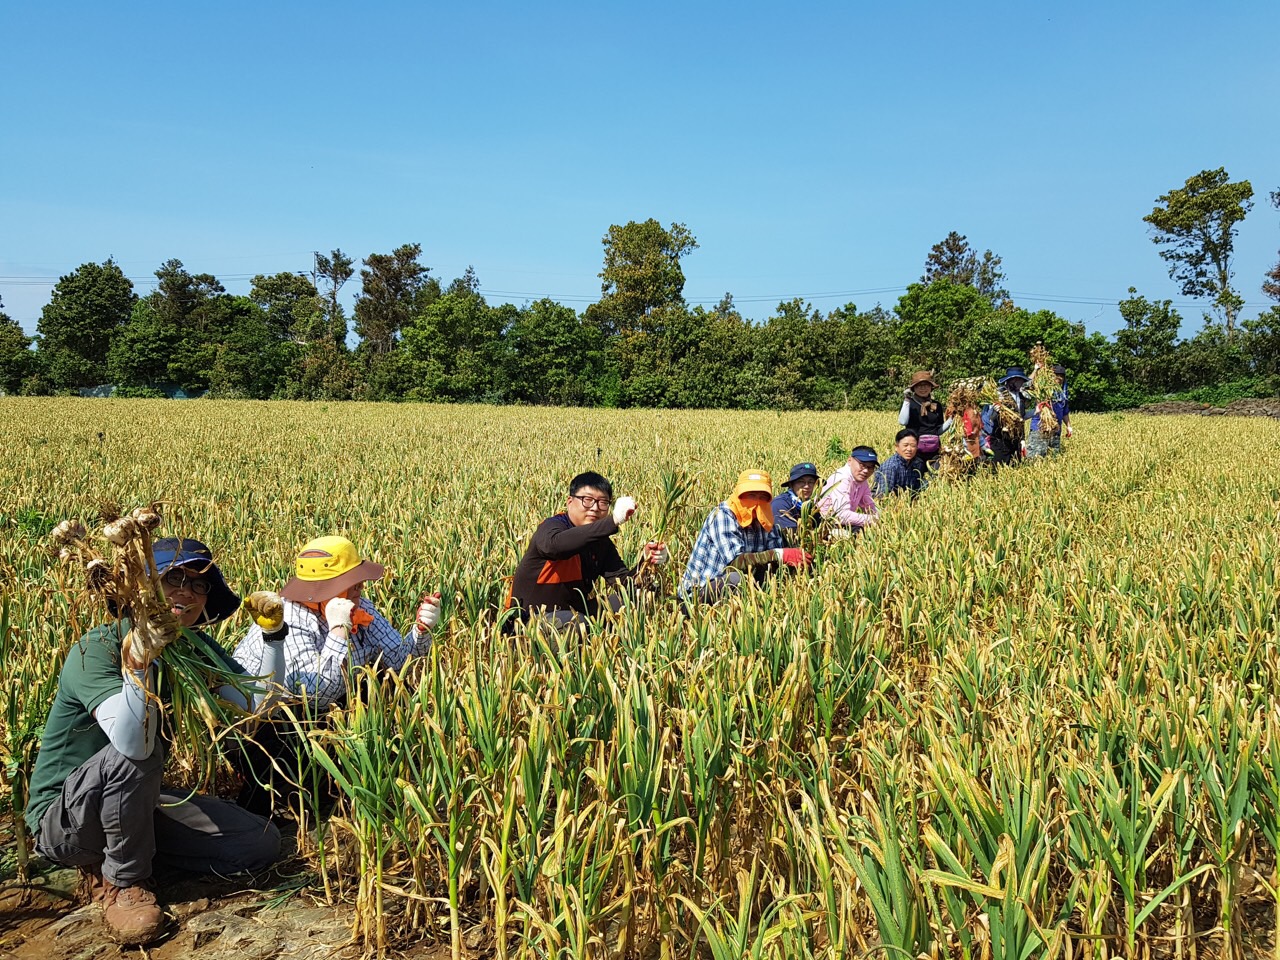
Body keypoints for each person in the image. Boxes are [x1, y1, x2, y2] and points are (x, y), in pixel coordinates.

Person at [25, 538, 283, 945]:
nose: (188, 592)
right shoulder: (98, 648)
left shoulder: (192, 648)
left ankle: (127, 848)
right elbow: (133, 746)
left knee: (258, 841)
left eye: (200, 585)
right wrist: (139, 665)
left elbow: (257, 703)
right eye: (173, 578)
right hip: (66, 819)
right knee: (141, 749)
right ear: (140, 588)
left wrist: (273, 635)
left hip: (135, 801)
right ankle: (124, 882)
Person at [510, 471, 669, 631]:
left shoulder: (600, 543)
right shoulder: (551, 527)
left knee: (636, 599)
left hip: (576, 614)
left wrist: (646, 561)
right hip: (527, 622)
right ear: (569, 502)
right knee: (579, 624)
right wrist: (612, 521)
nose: (595, 508)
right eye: (587, 500)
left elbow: (624, 583)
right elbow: (555, 546)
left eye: (603, 502)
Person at [679, 470, 810, 604]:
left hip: (746, 584)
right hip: (700, 592)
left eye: (762, 497)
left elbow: (773, 558)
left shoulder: (765, 517)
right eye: (751, 495)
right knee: (736, 579)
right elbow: (735, 563)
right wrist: (779, 554)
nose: (756, 502)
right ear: (739, 494)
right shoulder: (723, 515)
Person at [817, 446, 880, 530]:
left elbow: (869, 506)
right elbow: (841, 515)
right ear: (850, 461)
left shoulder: (862, 480)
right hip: (824, 525)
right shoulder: (842, 479)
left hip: (842, 524)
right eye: (862, 465)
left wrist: (882, 519)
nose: (866, 471)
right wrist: (873, 519)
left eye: (870, 467)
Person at [982, 368, 1029, 466]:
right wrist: (995, 410)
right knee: (999, 469)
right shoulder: (999, 394)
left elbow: (1021, 418)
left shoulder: (1020, 396)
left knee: (1016, 468)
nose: (1022, 384)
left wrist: (1022, 439)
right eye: (1021, 381)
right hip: (1000, 440)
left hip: (1015, 440)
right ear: (1014, 380)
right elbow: (991, 418)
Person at [899, 371, 950, 461]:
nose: (923, 388)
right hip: (915, 450)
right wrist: (907, 399)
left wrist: (952, 419)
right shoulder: (909, 404)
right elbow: (903, 421)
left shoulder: (936, 405)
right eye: (919, 385)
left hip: (934, 449)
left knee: (935, 473)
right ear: (913, 388)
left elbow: (938, 431)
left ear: (931, 387)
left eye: (926, 385)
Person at [1026, 363, 1072, 458]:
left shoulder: (1063, 393)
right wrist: (1035, 370)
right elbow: (1026, 385)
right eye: (1056, 375)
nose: (1059, 378)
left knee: (1053, 461)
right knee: (1035, 460)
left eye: (1061, 376)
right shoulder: (1042, 389)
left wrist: (1068, 426)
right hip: (1040, 431)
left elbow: (1065, 412)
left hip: (1055, 431)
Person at [873, 430, 927, 498]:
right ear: (896, 447)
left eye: (913, 446)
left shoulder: (918, 464)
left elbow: (919, 488)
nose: (909, 449)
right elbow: (883, 496)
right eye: (905, 445)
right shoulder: (890, 467)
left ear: (917, 447)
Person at [770, 462, 820, 535]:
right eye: (801, 482)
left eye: (811, 482)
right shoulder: (780, 504)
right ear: (791, 485)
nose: (807, 486)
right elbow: (791, 535)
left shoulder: (810, 505)